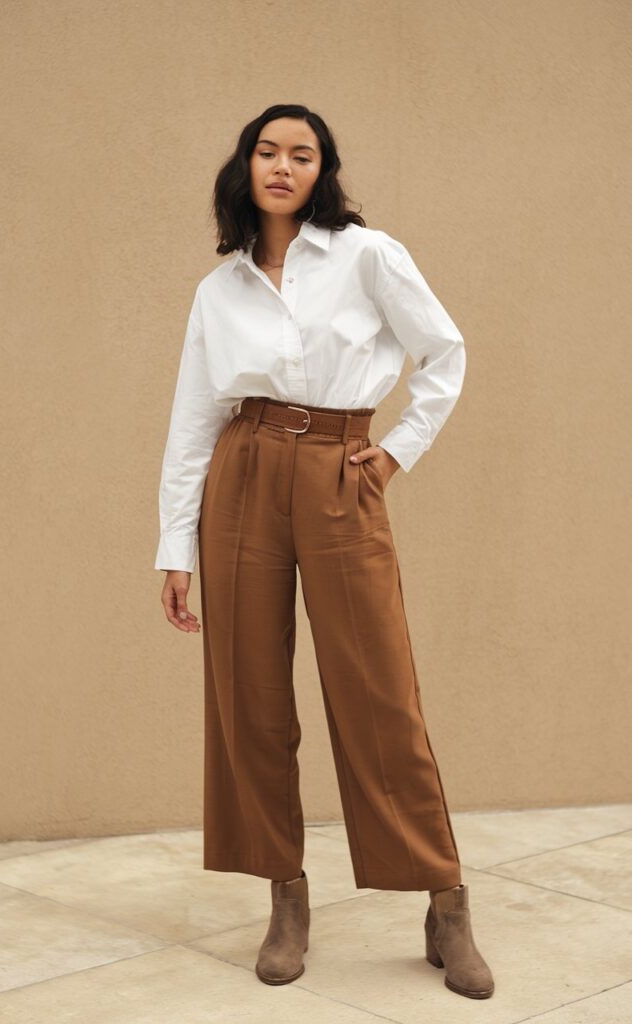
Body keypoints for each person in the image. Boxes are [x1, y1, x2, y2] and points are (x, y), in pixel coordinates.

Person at [154, 103, 494, 998]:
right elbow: (193, 419)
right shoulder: (218, 288)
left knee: (379, 689)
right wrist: (173, 545)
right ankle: (286, 898)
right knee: (251, 697)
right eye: (267, 151)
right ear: (246, 166)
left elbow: (445, 352)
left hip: (342, 467)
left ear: (322, 170)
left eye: (301, 154)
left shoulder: (365, 254)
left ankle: (446, 901)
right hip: (244, 473)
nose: (282, 166)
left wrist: (394, 452)